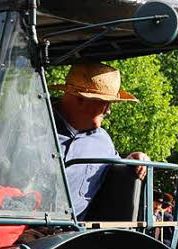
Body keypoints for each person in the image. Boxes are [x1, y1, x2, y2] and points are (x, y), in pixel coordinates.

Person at [50, 61, 149, 221]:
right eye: (106, 103)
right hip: (20, 224)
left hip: (69, 234)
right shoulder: (32, 124)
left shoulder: (103, 142)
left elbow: (117, 165)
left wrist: (133, 158)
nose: (109, 111)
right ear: (81, 99)